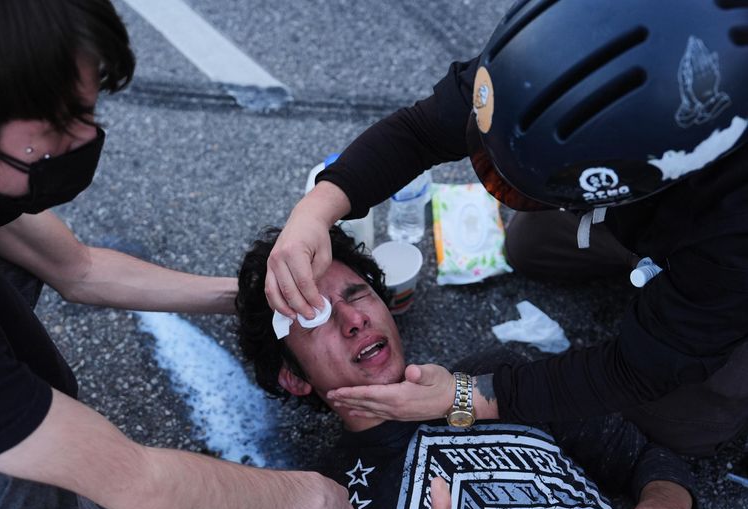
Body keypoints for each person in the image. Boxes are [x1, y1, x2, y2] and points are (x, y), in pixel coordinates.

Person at [0, 2, 351, 509]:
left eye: (86, 108)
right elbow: (135, 482)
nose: (84, 136)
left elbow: (78, 269)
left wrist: (250, 296)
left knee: (7, 265)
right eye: (56, 123)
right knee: (7, 477)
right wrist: (312, 492)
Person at [264, 2, 748, 458]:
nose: (352, 320)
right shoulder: (559, 46)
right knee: (528, 245)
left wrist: (468, 398)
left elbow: (636, 370)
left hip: (724, 267)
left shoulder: (729, 230)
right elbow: (421, 131)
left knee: (675, 424)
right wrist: (316, 210)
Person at [238, 226, 698, 509]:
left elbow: (647, 459)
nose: (354, 319)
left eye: (357, 294)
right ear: (293, 377)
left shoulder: (495, 377)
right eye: (316, 315)